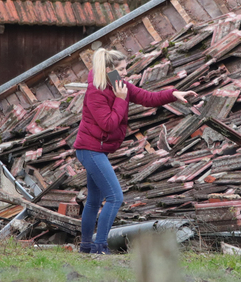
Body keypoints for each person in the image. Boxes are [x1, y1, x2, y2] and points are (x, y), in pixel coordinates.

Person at [74, 48, 197, 254]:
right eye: (121, 69)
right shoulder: (96, 91)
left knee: (94, 200)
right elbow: (109, 124)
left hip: (97, 149)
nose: (126, 73)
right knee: (115, 196)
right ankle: (100, 247)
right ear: (109, 69)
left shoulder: (117, 82)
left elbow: (147, 98)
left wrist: (173, 94)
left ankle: (86, 247)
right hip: (89, 150)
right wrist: (121, 99)